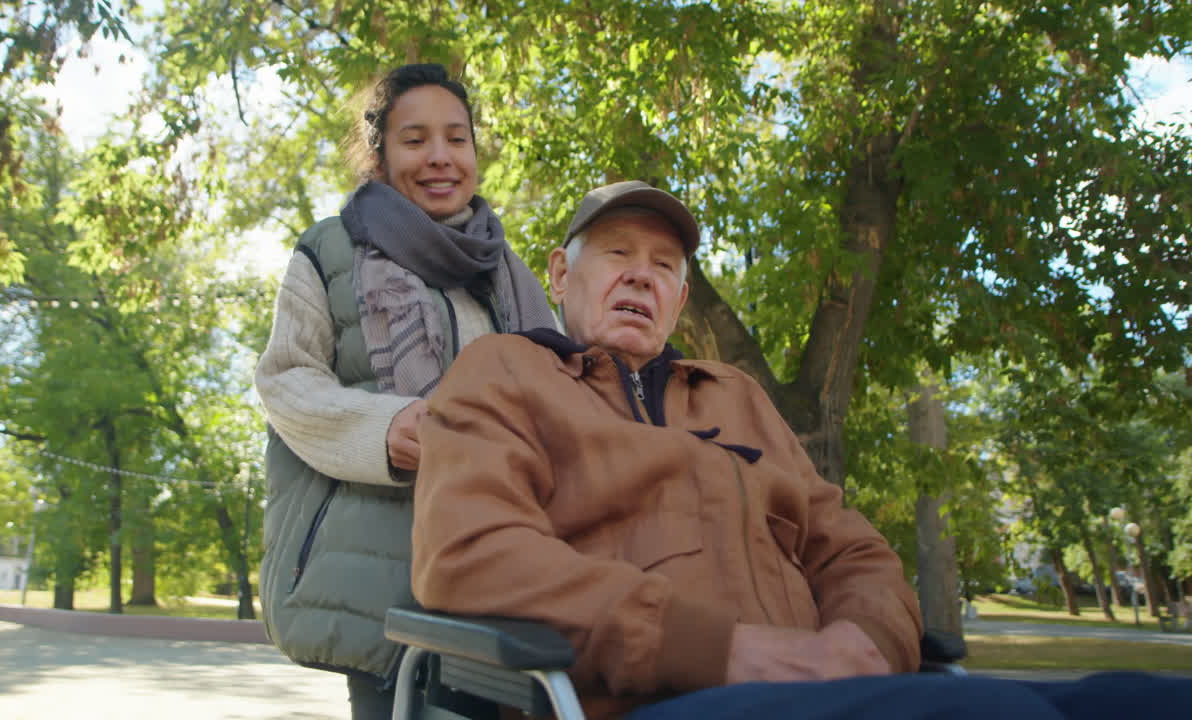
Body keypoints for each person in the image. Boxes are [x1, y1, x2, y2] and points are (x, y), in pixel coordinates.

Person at [409, 180, 1192, 720]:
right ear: (561, 273)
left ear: (682, 297)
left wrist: (864, 641)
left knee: (1151, 701)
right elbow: (473, 554)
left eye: (665, 267)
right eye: (618, 254)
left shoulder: (735, 398)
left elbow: (854, 553)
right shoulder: (506, 371)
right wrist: (723, 652)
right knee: (984, 710)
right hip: (642, 700)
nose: (642, 278)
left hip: (832, 694)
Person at [254, 63, 556, 720]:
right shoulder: (329, 251)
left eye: (457, 137)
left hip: (508, 565)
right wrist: (384, 431)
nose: (441, 157)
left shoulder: (509, 275)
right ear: (381, 156)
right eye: (415, 139)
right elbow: (286, 381)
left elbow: (563, 397)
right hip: (382, 573)